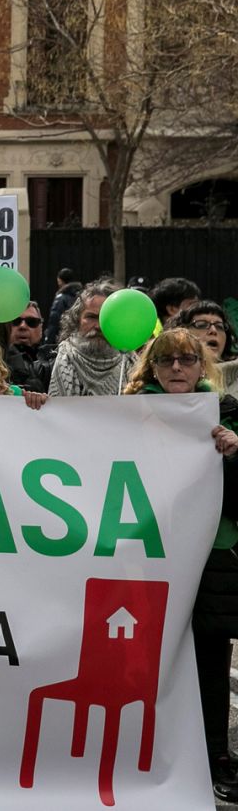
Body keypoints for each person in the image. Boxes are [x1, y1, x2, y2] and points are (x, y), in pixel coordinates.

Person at [121, 328, 238, 799]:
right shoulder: (125, 414)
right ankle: (140, 751)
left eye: (187, 360)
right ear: (151, 367)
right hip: (141, 559)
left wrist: (233, 455)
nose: (176, 369)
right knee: (143, 660)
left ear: (201, 367)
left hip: (208, 560)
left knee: (208, 664)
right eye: (166, 360)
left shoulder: (225, 414)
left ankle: (214, 759)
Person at [50, 280, 137, 397]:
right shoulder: (49, 366)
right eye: (91, 317)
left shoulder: (134, 367)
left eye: (107, 319)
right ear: (77, 320)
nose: (99, 326)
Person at [171, 301, 238, 399]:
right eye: (201, 325)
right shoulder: (166, 378)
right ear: (181, 333)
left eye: (220, 326)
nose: (213, 331)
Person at [3, 301, 55, 393]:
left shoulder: (54, 359)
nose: (23, 326)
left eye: (31, 322)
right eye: (16, 321)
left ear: (41, 328)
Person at [46, 268, 83, 345]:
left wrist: (48, 341)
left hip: (62, 340)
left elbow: (54, 322)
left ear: (60, 281)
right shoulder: (81, 297)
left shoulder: (61, 298)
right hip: (78, 339)